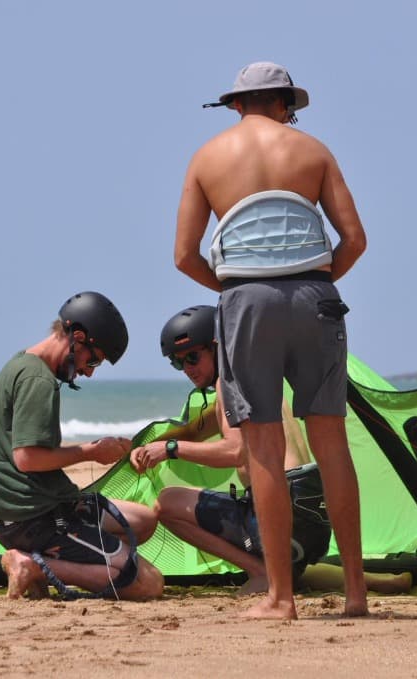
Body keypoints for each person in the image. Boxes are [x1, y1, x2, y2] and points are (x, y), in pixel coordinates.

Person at [174, 62, 369, 619]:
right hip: (315, 296)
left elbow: (185, 255)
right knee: (331, 444)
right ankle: (356, 596)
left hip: (246, 300)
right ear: (285, 104)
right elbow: (354, 240)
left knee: (262, 447)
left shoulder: (207, 158)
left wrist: (238, 293)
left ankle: (280, 598)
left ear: (237, 105)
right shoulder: (314, 151)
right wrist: (316, 283)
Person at [129, 305, 411, 598]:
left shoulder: (229, 386)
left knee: (167, 503)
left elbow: (235, 451)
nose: (188, 369)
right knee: (291, 569)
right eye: (178, 363)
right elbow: (193, 431)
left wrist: (170, 449)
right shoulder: (256, 381)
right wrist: (140, 447)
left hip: (281, 513)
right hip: (311, 519)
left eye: (192, 357)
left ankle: (260, 573)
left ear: (217, 347)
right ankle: (375, 580)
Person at [0, 291, 164, 601]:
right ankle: (31, 565)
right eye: (94, 359)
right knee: (149, 583)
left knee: (144, 520)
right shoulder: (39, 380)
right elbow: (27, 458)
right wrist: (92, 452)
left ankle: (70, 561)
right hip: (32, 517)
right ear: (78, 337)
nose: (89, 371)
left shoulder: (22, 363)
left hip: (27, 507)